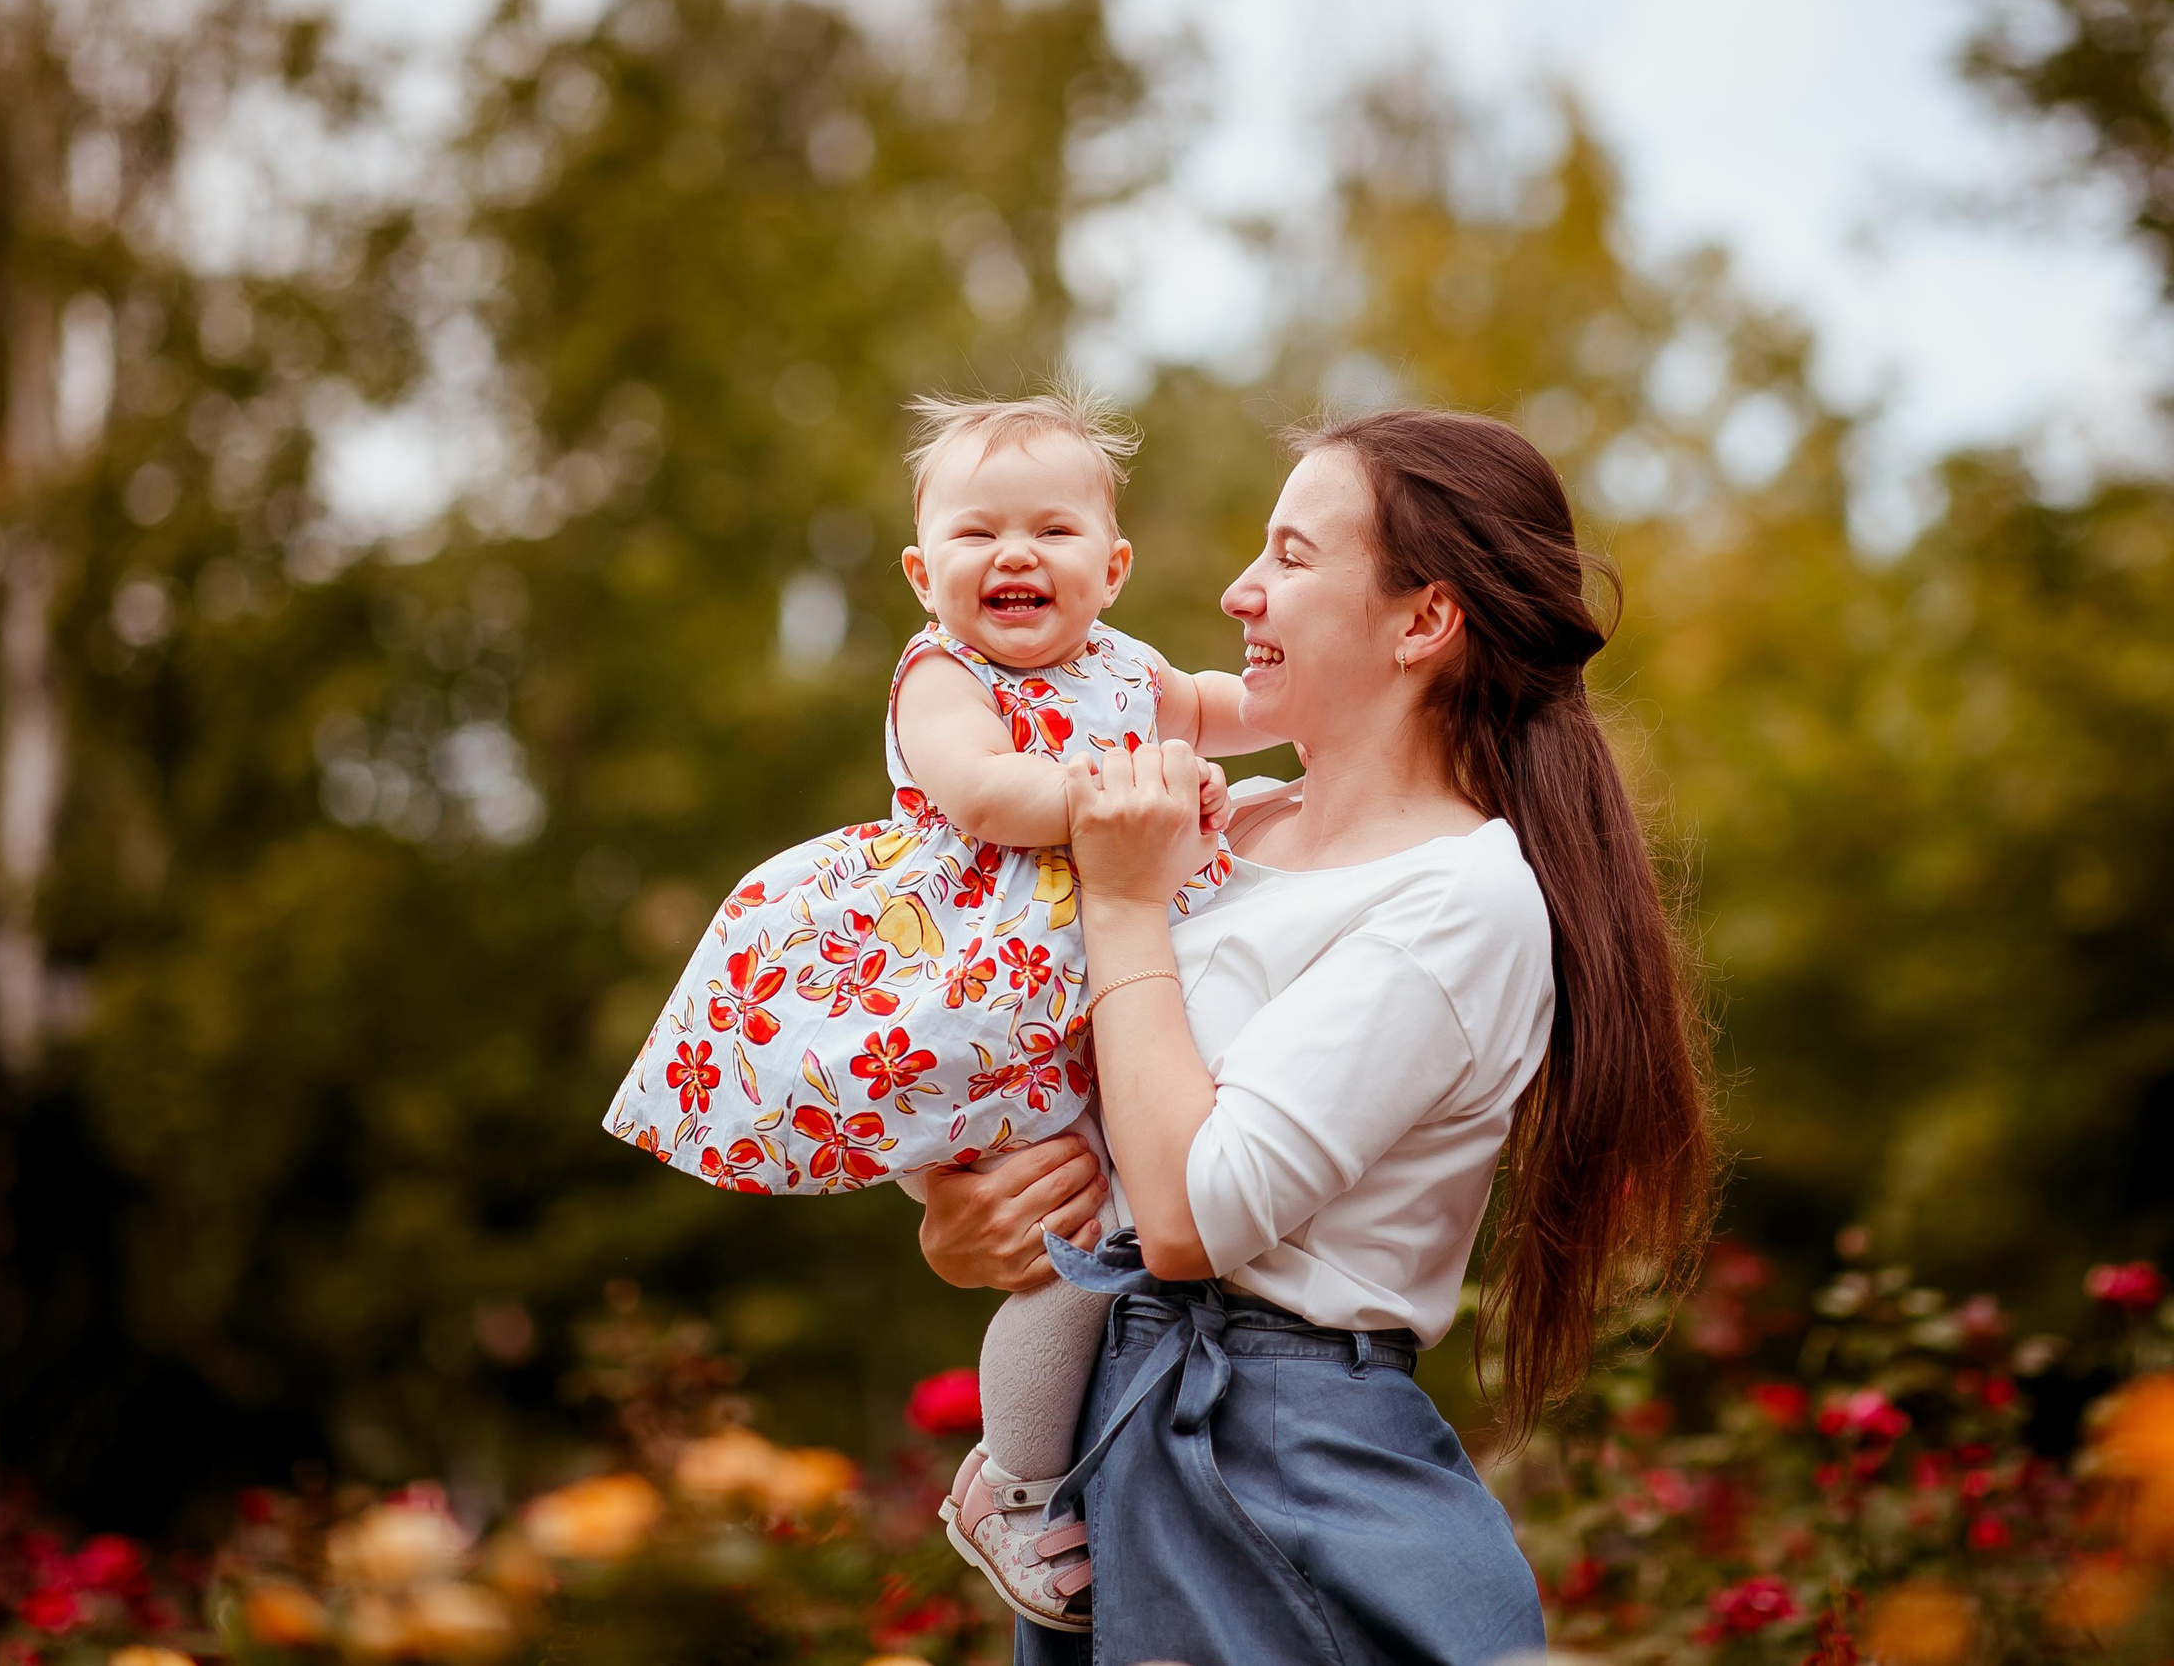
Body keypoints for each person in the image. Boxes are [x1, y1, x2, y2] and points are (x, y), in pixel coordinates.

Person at [917, 407, 1716, 1665]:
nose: (1238, 591)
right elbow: (1061, 1088)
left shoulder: (1459, 898)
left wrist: (1121, 900)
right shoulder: (1221, 823)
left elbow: (1192, 1221)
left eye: (1291, 557)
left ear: (1423, 621)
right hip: (1109, 1439)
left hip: (1277, 1466)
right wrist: (970, 1221)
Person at [601, 385, 1278, 1629]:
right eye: (978, 533)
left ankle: (1039, 1467)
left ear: (1113, 568)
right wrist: (1128, 798)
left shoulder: (1136, 673)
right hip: (959, 1004)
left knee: (1117, 1220)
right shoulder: (942, 674)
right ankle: (1012, 1484)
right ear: (924, 575)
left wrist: (1306, 715)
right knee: (1074, 1247)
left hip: (1085, 999)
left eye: (1053, 530)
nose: (1015, 554)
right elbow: (982, 794)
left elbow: (1241, 707)